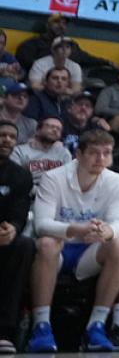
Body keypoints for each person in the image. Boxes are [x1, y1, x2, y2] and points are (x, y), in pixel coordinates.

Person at [24, 130, 119, 353]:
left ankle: (97, 326)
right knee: (46, 242)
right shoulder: (53, 177)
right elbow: (41, 224)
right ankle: (41, 326)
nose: (100, 159)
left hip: (89, 253)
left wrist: (107, 232)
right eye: (94, 153)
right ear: (79, 154)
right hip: (59, 251)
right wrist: (75, 229)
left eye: (106, 153)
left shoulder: (116, 181)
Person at [0, 120, 33, 344]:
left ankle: (5, 331)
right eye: (2, 135)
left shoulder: (20, 175)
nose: (7, 140)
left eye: (12, 136)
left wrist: (13, 228)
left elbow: (20, 212)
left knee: (24, 245)